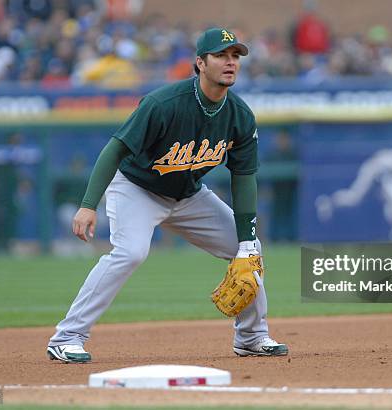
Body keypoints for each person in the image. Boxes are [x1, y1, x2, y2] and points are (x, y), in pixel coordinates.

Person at [46, 27, 289, 363]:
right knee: (130, 252)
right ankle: (67, 337)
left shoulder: (239, 115)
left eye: (235, 56)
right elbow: (114, 150)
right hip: (137, 189)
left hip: (188, 196)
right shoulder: (164, 104)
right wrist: (88, 206)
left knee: (249, 250)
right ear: (201, 63)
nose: (230, 62)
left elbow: (244, 177)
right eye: (221, 55)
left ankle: (251, 336)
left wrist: (246, 239)